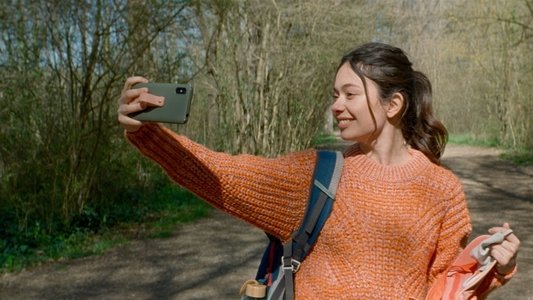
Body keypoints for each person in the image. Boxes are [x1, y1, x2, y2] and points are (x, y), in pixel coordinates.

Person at [117, 42, 520, 299]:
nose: (336, 105)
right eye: (334, 95)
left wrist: (493, 267)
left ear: (393, 104)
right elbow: (221, 174)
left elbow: (446, 287)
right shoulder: (317, 173)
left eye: (349, 94)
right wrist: (149, 135)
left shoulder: (442, 190)